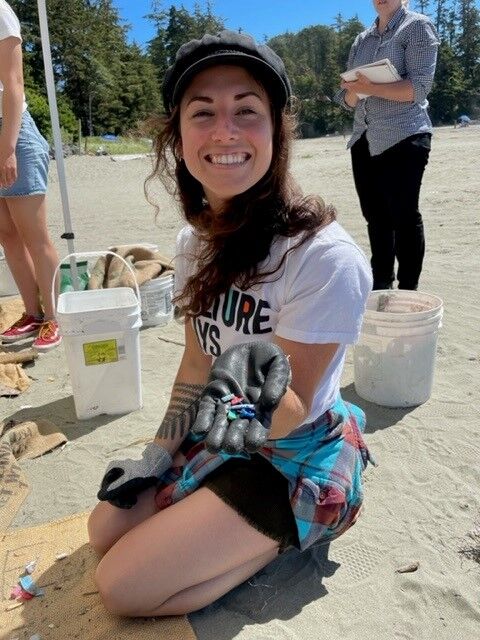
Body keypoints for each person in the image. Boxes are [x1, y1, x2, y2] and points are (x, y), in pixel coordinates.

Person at [88, 30, 374, 618]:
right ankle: (225, 520)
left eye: (247, 111)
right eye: (203, 113)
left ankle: (302, 524)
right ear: (179, 137)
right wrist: (156, 454)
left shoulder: (324, 258)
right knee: (104, 530)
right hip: (225, 426)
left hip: (292, 449)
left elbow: (289, 405)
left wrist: (239, 390)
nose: (225, 131)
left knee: (122, 588)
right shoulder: (194, 244)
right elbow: (196, 361)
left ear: (276, 131)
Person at [335, 0, 439, 291]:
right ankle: (381, 284)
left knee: (404, 215)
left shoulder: (416, 26)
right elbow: (346, 100)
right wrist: (354, 91)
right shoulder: (362, 39)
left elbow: (417, 89)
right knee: (376, 218)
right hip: (364, 138)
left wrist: (368, 87)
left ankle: (407, 291)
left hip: (404, 135)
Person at [0, 0, 61, 350]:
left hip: (14, 131)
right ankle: (32, 313)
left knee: (34, 235)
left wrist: (8, 148)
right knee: (7, 234)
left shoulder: (1, 13)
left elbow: (14, 83)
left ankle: (55, 317)